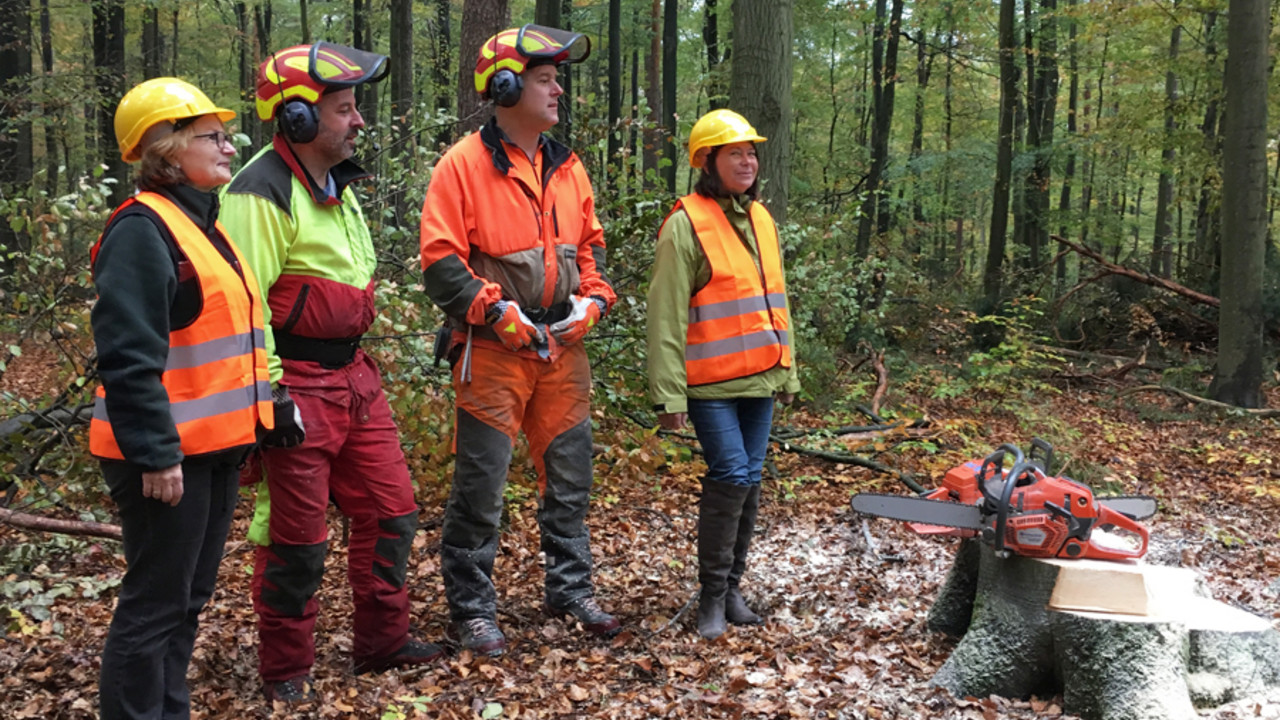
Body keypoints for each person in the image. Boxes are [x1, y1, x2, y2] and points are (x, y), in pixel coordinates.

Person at [219, 42, 441, 703]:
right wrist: (270, 393)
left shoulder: (337, 186)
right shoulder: (258, 193)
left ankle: (383, 643)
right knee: (296, 535)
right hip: (296, 384)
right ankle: (286, 667)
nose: (358, 121)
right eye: (344, 109)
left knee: (392, 510)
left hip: (354, 379)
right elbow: (243, 306)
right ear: (296, 119)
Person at [418, 23, 619, 657]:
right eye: (544, 78)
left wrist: (592, 300)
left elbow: (591, 248)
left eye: (556, 77)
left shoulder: (567, 164)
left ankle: (569, 588)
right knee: (482, 486)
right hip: (496, 350)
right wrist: (496, 311)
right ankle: (472, 609)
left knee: (570, 474)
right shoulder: (462, 165)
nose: (557, 88)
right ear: (504, 85)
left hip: (563, 349)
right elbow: (440, 263)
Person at [91, 77, 274, 719]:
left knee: (186, 602)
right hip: (166, 459)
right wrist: (156, 454)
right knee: (154, 606)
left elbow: (222, 339)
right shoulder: (142, 231)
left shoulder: (203, 223)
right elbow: (126, 356)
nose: (230, 146)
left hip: (214, 450)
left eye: (226, 135)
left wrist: (269, 412)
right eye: (214, 137)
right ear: (167, 150)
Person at [645, 109, 801, 640]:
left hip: (761, 380)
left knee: (750, 478)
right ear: (707, 162)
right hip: (709, 385)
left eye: (751, 151)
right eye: (734, 152)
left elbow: (775, 301)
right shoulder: (685, 223)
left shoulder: (762, 220)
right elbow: (665, 315)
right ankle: (711, 596)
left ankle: (731, 590)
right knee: (732, 474)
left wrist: (789, 371)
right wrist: (668, 395)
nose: (747, 160)